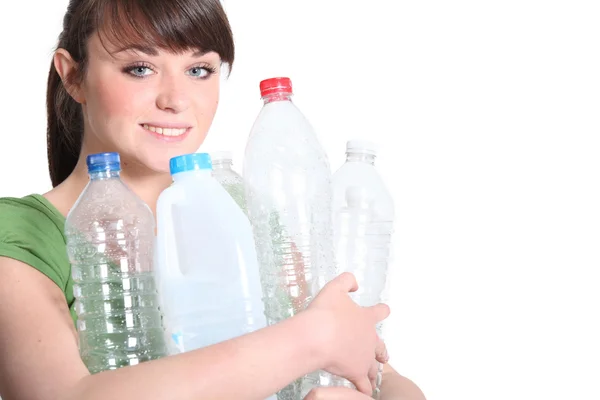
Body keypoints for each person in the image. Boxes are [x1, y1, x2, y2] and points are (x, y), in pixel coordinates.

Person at [0, 1, 426, 399]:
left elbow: (382, 374)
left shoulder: (240, 210)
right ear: (73, 75)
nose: (175, 99)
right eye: (140, 68)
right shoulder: (22, 236)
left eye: (199, 70)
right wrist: (309, 340)